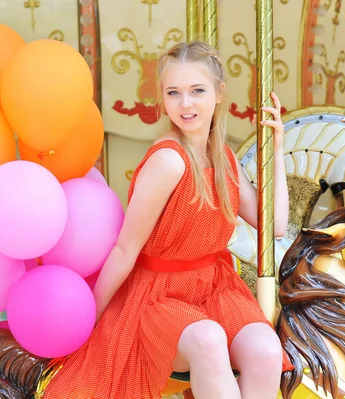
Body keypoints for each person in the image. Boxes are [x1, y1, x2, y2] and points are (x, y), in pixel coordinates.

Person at [42, 41, 292, 399]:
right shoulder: (169, 161)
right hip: (159, 294)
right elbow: (127, 248)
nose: (186, 103)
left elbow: (276, 225)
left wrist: (278, 149)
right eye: (174, 92)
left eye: (197, 91)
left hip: (214, 288)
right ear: (163, 97)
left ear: (219, 94)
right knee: (208, 339)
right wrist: (89, 320)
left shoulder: (223, 159)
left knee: (267, 352)